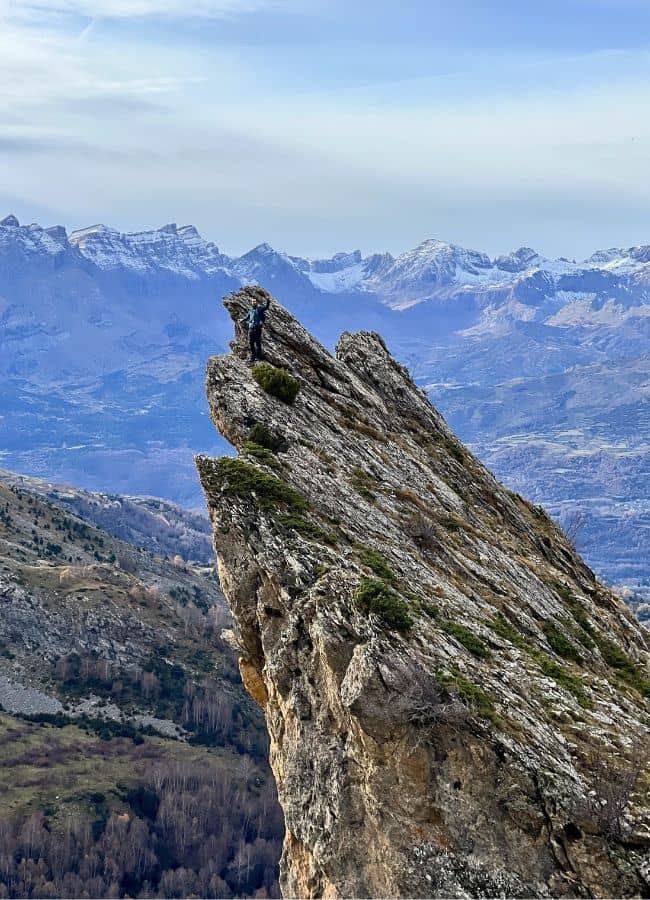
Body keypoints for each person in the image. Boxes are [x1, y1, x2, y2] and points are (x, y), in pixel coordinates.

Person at [241, 295, 271, 363]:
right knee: (251, 343)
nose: (254, 302)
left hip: (257, 328)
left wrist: (268, 301)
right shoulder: (250, 310)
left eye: (255, 301)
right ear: (251, 303)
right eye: (252, 301)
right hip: (251, 328)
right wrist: (242, 320)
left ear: (256, 302)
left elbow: (266, 307)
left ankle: (258, 355)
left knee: (258, 342)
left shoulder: (259, 309)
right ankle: (253, 356)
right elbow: (247, 317)